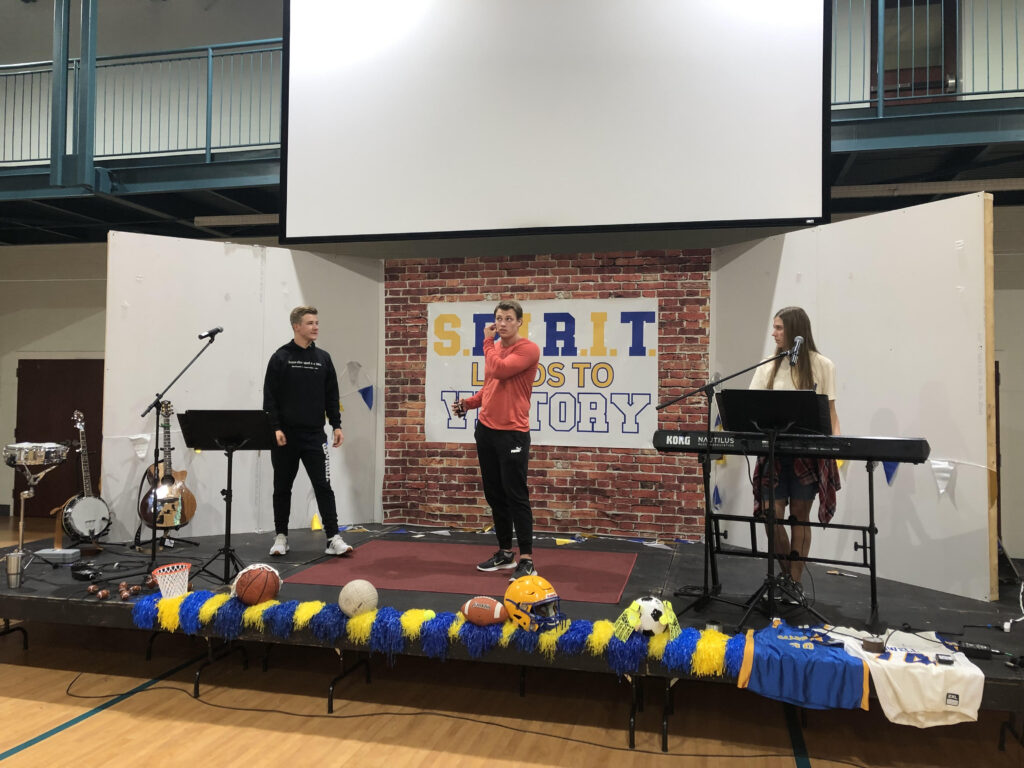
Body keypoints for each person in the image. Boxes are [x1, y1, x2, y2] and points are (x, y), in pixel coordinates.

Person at [749, 306, 841, 605]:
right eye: (774, 327)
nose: (773, 333)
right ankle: (787, 578)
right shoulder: (768, 365)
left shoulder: (823, 365)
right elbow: (751, 408)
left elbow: (830, 413)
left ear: (795, 331)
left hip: (806, 454)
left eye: (779, 328)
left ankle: (794, 584)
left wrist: (836, 449)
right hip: (773, 453)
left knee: (800, 515)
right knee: (771, 515)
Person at [452, 300, 541, 581]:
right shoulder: (496, 349)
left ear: (519, 322)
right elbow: (491, 386)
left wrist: (487, 342)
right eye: (499, 318)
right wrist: (469, 403)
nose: (502, 323)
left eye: (508, 319)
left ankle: (526, 559)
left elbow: (500, 370)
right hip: (487, 430)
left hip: (513, 432)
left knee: (516, 494)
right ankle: (505, 553)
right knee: (494, 494)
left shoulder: (528, 349)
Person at [263, 306, 353, 557]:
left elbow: (331, 395)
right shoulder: (280, 357)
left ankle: (333, 537)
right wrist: (275, 428)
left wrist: (336, 424)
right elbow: (269, 397)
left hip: (315, 436)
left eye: (317, 323)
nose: (315, 327)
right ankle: (281, 536)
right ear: (296, 326)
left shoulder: (323, 358)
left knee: (323, 486)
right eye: (310, 323)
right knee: (282, 487)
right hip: (285, 437)